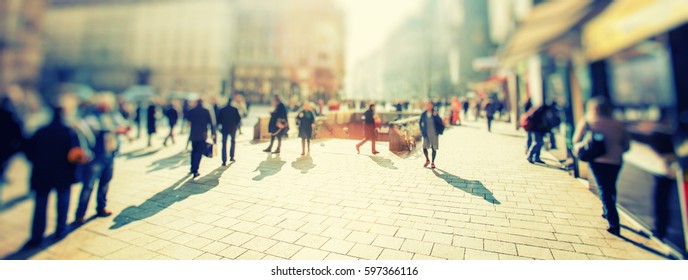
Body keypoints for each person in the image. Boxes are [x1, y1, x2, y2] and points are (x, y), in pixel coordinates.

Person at [22, 107, 81, 248]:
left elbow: (28, 150)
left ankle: (37, 236)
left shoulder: (40, 131)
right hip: (63, 173)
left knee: (40, 206)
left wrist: (37, 161)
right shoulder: (69, 131)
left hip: (42, 173)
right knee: (63, 202)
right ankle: (60, 230)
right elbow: (76, 153)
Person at [573, 96, 630, 235]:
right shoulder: (618, 123)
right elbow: (626, 146)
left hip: (597, 160)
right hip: (616, 161)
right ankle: (606, 210)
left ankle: (613, 222)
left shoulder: (588, 121)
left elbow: (576, 139)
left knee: (603, 189)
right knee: (610, 186)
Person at [75, 93, 127, 224]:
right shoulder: (91, 114)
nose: (107, 106)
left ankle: (101, 208)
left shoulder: (111, 114)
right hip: (96, 156)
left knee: (105, 182)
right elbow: (94, 128)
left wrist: (124, 127)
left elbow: (122, 122)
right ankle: (80, 214)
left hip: (110, 153)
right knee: (88, 186)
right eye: (105, 103)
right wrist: (115, 129)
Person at [187, 98, 216, 178]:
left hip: (193, 134)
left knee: (193, 151)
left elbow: (187, 118)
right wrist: (213, 133)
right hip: (202, 134)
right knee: (199, 152)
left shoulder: (192, 110)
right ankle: (195, 170)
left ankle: (192, 168)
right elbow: (212, 123)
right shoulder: (206, 111)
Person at [419, 101, 444, 168]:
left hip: (434, 133)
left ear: (432, 106)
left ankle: (432, 162)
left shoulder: (435, 113)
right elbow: (420, 123)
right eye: (427, 105)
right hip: (426, 134)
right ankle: (427, 160)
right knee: (424, 147)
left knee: (434, 148)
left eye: (430, 105)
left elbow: (440, 122)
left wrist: (436, 116)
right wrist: (422, 130)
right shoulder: (424, 114)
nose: (429, 106)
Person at [217, 97, 241, 165]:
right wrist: (236, 126)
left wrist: (220, 126)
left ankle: (224, 160)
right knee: (233, 141)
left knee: (224, 143)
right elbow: (238, 119)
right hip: (233, 128)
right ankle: (232, 156)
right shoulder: (235, 109)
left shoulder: (222, 109)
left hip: (224, 128)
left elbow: (218, 119)